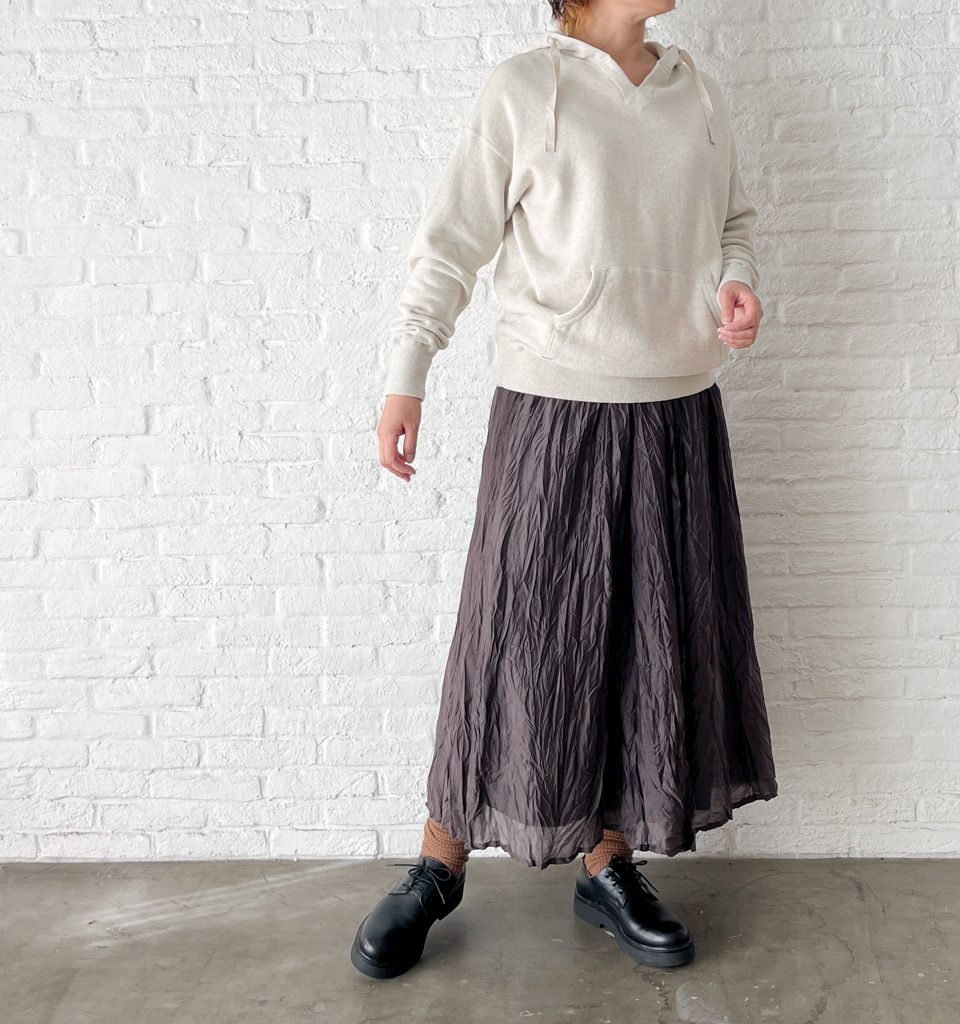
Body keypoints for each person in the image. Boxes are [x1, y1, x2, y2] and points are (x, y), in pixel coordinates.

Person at [352, 0, 779, 980]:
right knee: (513, 638)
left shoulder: (698, 94)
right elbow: (451, 242)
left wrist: (735, 281)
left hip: (677, 411)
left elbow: (733, 222)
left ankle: (607, 864)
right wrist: (406, 375)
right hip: (553, 410)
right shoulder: (524, 90)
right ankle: (439, 863)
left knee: (641, 645)